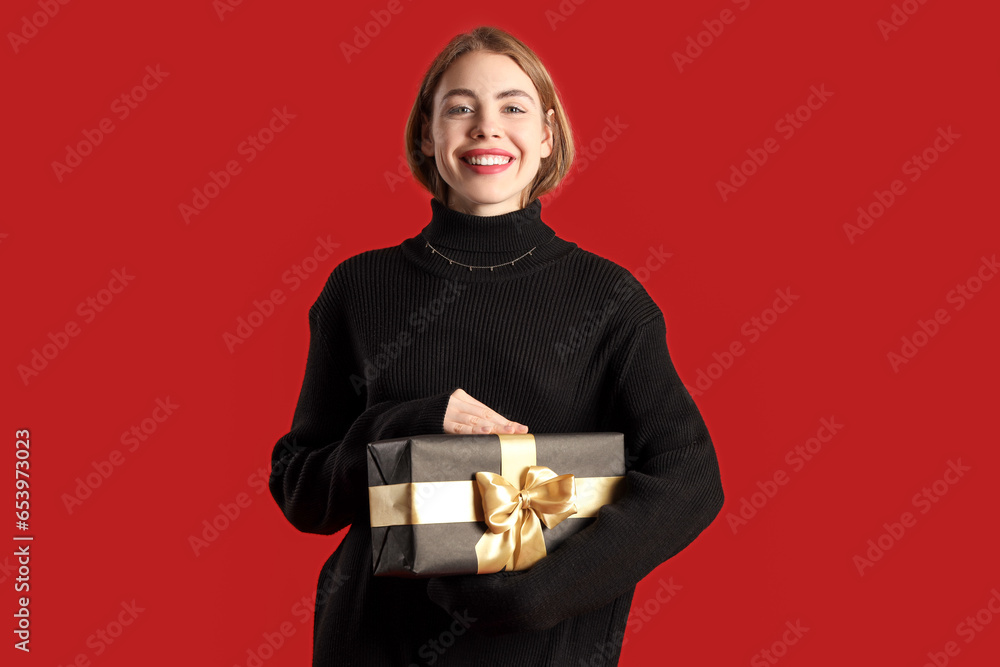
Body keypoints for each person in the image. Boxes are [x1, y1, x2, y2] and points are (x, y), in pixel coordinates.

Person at [268, 25, 724, 666]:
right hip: (370, 646)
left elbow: (692, 478)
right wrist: (412, 423)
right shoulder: (359, 287)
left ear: (547, 137)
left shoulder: (607, 296)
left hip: (543, 651)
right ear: (429, 135)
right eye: (460, 108)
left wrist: (536, 595)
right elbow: (301, 492)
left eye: (513, 107)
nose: (486, 127)